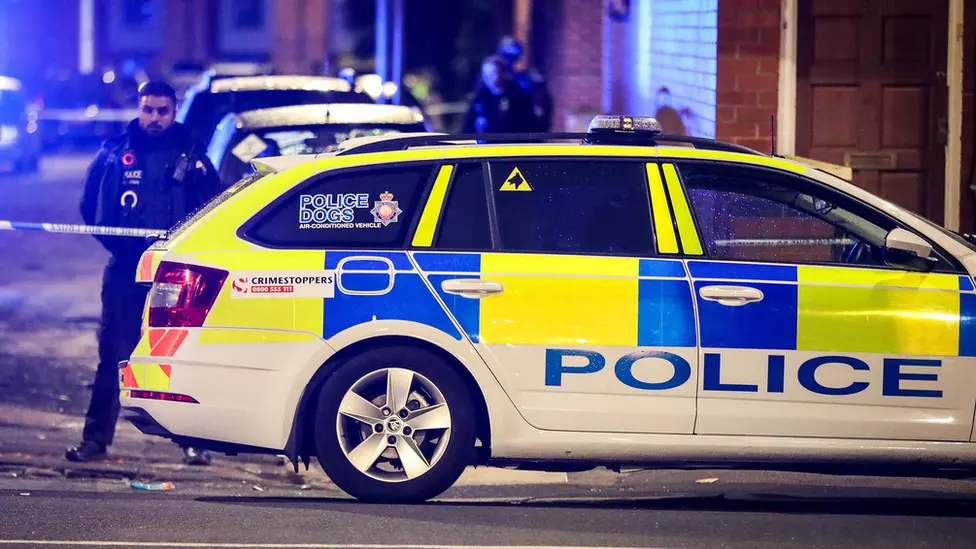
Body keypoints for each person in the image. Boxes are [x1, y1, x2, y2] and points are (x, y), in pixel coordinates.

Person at [67, 81, 223, 466]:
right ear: (139, 109)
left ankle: (193, 441)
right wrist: (121, 249)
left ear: (173, 112)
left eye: (162, 111)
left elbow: (217, 207)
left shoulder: (194, 155)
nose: (154, 118)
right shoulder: (114, 153)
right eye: (148, 110)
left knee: (183, 355)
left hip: (178, 274)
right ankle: (95, 441)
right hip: (126, 270)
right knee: (113, 356)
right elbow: (91, 207)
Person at [462, 55, 535, 135]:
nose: (488, 77)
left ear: (501, 72)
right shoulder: (479, 100)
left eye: (492, 73)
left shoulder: (517, 96)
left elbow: (528, 124)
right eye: (485, 74)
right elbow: (467, 129)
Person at [496, 35, 553, 132]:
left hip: (526, 132)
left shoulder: (528, 78)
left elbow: (542, 105)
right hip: (500, 135)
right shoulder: (493, 78)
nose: (508, 62)